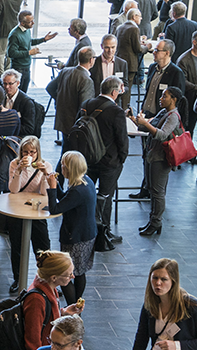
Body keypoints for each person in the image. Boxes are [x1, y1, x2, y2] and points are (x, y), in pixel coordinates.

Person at [6, 250, 83, 350]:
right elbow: (32, 342)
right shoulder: (36, 300)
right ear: (54, 277)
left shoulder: (49, 288)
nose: (72, 276)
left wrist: (64, 312)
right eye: (68, 274)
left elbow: (46, 318)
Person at [77, 76, 129, 247]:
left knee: (89, 194)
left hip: (88, 160)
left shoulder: (86, 104)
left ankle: (87, 228)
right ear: (114, 92)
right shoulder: (116, 111)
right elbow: (122, 139)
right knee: (105, 196)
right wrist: (122, 157)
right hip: (109, 162)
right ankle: (103, 232)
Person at [131, 86, 184, 236]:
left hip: (161, 159)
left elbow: (161, 134)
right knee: (152, 189)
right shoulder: (164, 112)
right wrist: (135, 120)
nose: (161, 99)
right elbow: (149, 126)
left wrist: (146, 124)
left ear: (173, 99)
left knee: (157, 192)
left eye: (164, 96)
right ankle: (153, 221)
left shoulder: (173, 116)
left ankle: (156, 222)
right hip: (152, 155)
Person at [47, 151, 96, 305]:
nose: (61, 167)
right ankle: (76, 305)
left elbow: (55, 209)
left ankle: (72, 307)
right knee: (80, 272)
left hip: (76, 237)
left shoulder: (77, 191)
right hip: (86, 234)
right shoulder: (85, 181)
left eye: (64, 165)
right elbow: (67, 201)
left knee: (66, 275)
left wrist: (52, 188)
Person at [5, 137, 53, 292]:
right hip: (17, 209)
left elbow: (45, 193)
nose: (29, 155)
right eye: (26, 152)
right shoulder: (14, 163)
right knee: (17, 246)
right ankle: (18, 279)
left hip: (37, 210)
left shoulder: (46, 165)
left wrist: (45, 174)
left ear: (38, 151)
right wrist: (19, 170)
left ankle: (46, 280)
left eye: (33, 151)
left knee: (43, 247)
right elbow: (13, 190)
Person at [7, 10, 57, 92]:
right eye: (30, 22)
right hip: (18, 68)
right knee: (17, 93)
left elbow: (29, 41)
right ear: (22, 23)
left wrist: (43, 39)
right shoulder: (15, 34)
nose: (33, 23)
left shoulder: (27, 30)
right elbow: (11, 53)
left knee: (24, 93)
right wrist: (29, 53)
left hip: (27, 67)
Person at [52, 47, 95, 136]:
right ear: (91, 60)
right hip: (76, 125)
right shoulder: (86, 80)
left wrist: (60, 100)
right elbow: (85, 107)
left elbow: (50, 88)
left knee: (65, 148)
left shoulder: (65, 71)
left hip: (63, 120)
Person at [176, 30, 197, 135]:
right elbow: (183, 82)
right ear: (194, 42)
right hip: (189, 99)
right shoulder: (184, 60)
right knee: (187, 127)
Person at [141, 39, 187, 118]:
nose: (154, 52)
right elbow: (148, 91)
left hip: (161, 118)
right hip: (146, 115)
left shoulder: (176, 73)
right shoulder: (152, 67)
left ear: (167, 53)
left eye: (157, 50)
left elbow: (178, 101)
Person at [90, 34, 130, 110]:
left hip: (115, 105)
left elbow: (126, 85)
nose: (110, 51)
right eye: (107, 47)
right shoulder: (94, 63)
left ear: (116, 46)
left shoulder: (122, 64)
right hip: (97, 104)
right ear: (102, 46)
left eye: (113, 47)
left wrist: (122, 89)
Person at [0, 0, 24, 73]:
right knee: (10, 52)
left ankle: (0, 71)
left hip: (2, 29)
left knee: (0, 52)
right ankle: (8, 70)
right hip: (14, 28)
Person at [2, 70, 38, 136]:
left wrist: (8, 127)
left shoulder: (27, 103)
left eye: (10, 84)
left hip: (18, 137)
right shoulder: (2, 97)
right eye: (5, 83)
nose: (7, 87)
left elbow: (29, 128)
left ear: (18, 83)